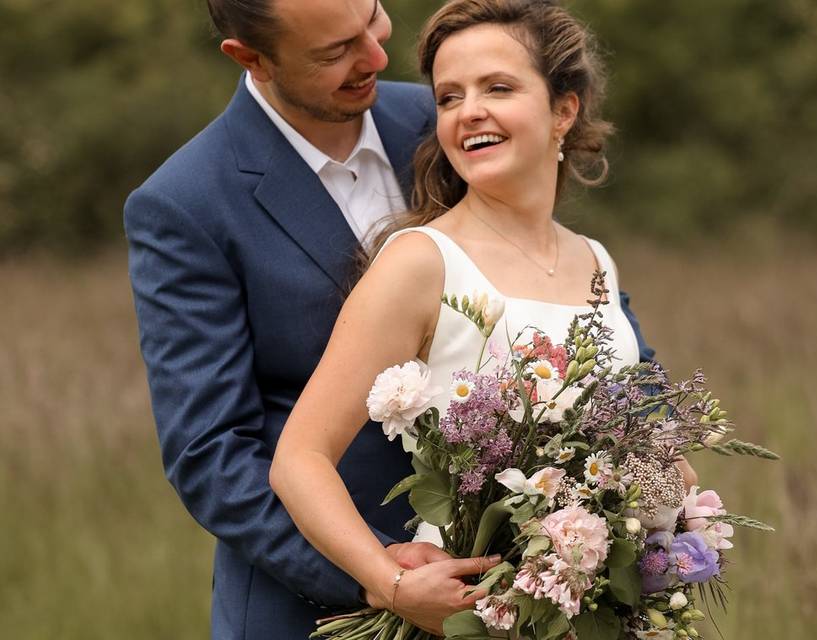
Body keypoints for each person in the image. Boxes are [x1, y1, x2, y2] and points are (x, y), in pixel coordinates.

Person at [270, 0, 692, 636]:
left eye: (498, 87)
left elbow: (635, 432)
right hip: (473, 617)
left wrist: (674, 498)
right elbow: (299, 458)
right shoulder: (421, 262)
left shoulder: (595, 260)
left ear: (564, 109)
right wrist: (393, 584)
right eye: (448, 97)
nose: (469, 112)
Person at [124, 1, 496, 638]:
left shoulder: (447, 120)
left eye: (372, 18)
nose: (378, 56)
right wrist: (379, 575)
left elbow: (552, 276)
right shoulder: (183, 204)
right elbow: (210, 453)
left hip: (507, 582)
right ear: (252, 58)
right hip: (316, 611)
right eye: (334, 52)